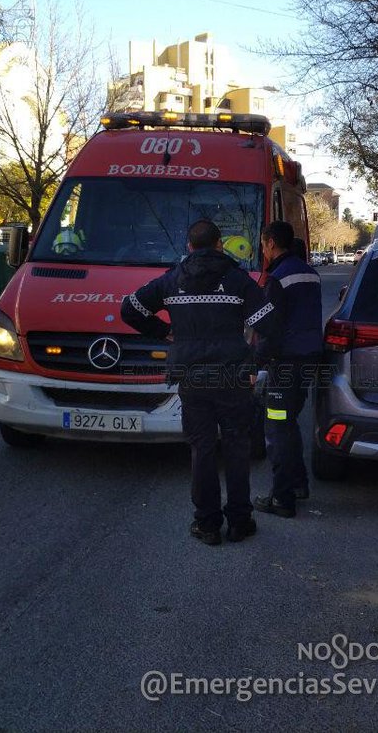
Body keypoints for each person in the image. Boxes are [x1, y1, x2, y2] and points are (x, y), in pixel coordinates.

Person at [121, 219, 281, 546]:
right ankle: (239, 521)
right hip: (233, 377)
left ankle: (207, 524)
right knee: (236, 447)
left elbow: (129, 309)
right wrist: (254, 361)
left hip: (192, 377)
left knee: (202, 449)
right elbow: (270, 325)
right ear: (220, 245)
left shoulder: (172, 279)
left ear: (190, 247)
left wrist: (164, 331)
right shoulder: (238, 280)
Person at [253, 220, 323, 519]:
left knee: (277, 429)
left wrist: (254, 363)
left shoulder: (278, 278)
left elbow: (271, 329)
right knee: (289, 423)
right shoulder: (310, 273)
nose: (262, 249)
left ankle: (282, 499)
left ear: (270, 243)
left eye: (262, 244)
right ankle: (297, 484)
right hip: (307, 361)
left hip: (285, 365)